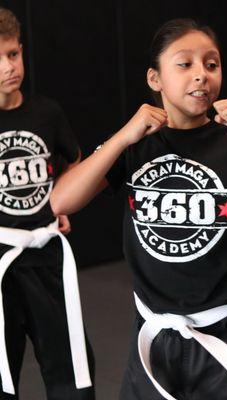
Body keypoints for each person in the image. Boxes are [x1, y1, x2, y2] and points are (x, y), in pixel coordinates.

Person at [51, 18, 227, 400]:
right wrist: (121, 138)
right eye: (185, 64)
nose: (201, 75)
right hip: (157, 335)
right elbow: (62, 201)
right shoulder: (136, 146)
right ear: (155, 79)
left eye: (211, 65)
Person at [0, 7, 94, 400]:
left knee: (71, 370)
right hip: (1, 262)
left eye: (12, 54)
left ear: (22, 50)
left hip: (45, 257)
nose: (8, 67)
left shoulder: (46, 112)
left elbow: (76, 162)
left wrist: (63, 204)